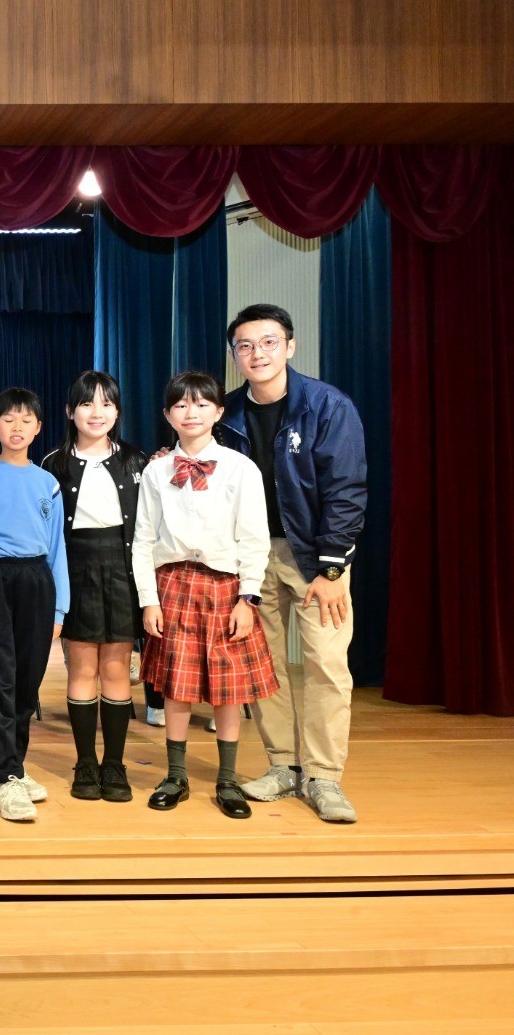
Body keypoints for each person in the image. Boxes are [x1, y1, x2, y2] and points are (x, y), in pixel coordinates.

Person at [221, 305, 367, 823]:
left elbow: (347, 489)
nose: (257, 353)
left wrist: (332, 570)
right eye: (245, 345)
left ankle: (324, 776)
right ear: (235, 355)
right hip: (251, 558)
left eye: (268, 342)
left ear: (290, 346)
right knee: (264, 667)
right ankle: (282, 765)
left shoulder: (327, 406)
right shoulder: (226, 413)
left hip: (314, 556)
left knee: (326, 664)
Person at [134, 371, 279, 820]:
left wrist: (248, 599)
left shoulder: (240, 468)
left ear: (219, 412)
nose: (190, 412)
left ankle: (227, 780)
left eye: (201, 404)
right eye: (181, 405)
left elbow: (255, 538)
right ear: (168, 415)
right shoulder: (156, 471)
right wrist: (148, 598)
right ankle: (175, 775)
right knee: (176, 687)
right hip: (173, 584)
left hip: (225, 588)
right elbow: (143, 539)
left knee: (227, 689)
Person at [0, 388, 69, 823]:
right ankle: (6, 779)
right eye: (8, 419)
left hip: (37, 582)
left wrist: (59, 608)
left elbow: (57, 548)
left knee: (27, 681)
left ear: (38, 427)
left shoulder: (48, 484)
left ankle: (15, 768)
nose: (16, 427)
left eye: (25, 420)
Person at [42, 372, 148, 803]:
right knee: (82, 668)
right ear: (70, 412)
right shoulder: (53, 464)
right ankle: (85, 762)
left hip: (123, 570)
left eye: (106, 403)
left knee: (117, 669)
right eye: (87, 403)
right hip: (75, 569)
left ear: (118, 411)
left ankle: (115, 764)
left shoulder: (138, 462)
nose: (97, 412)